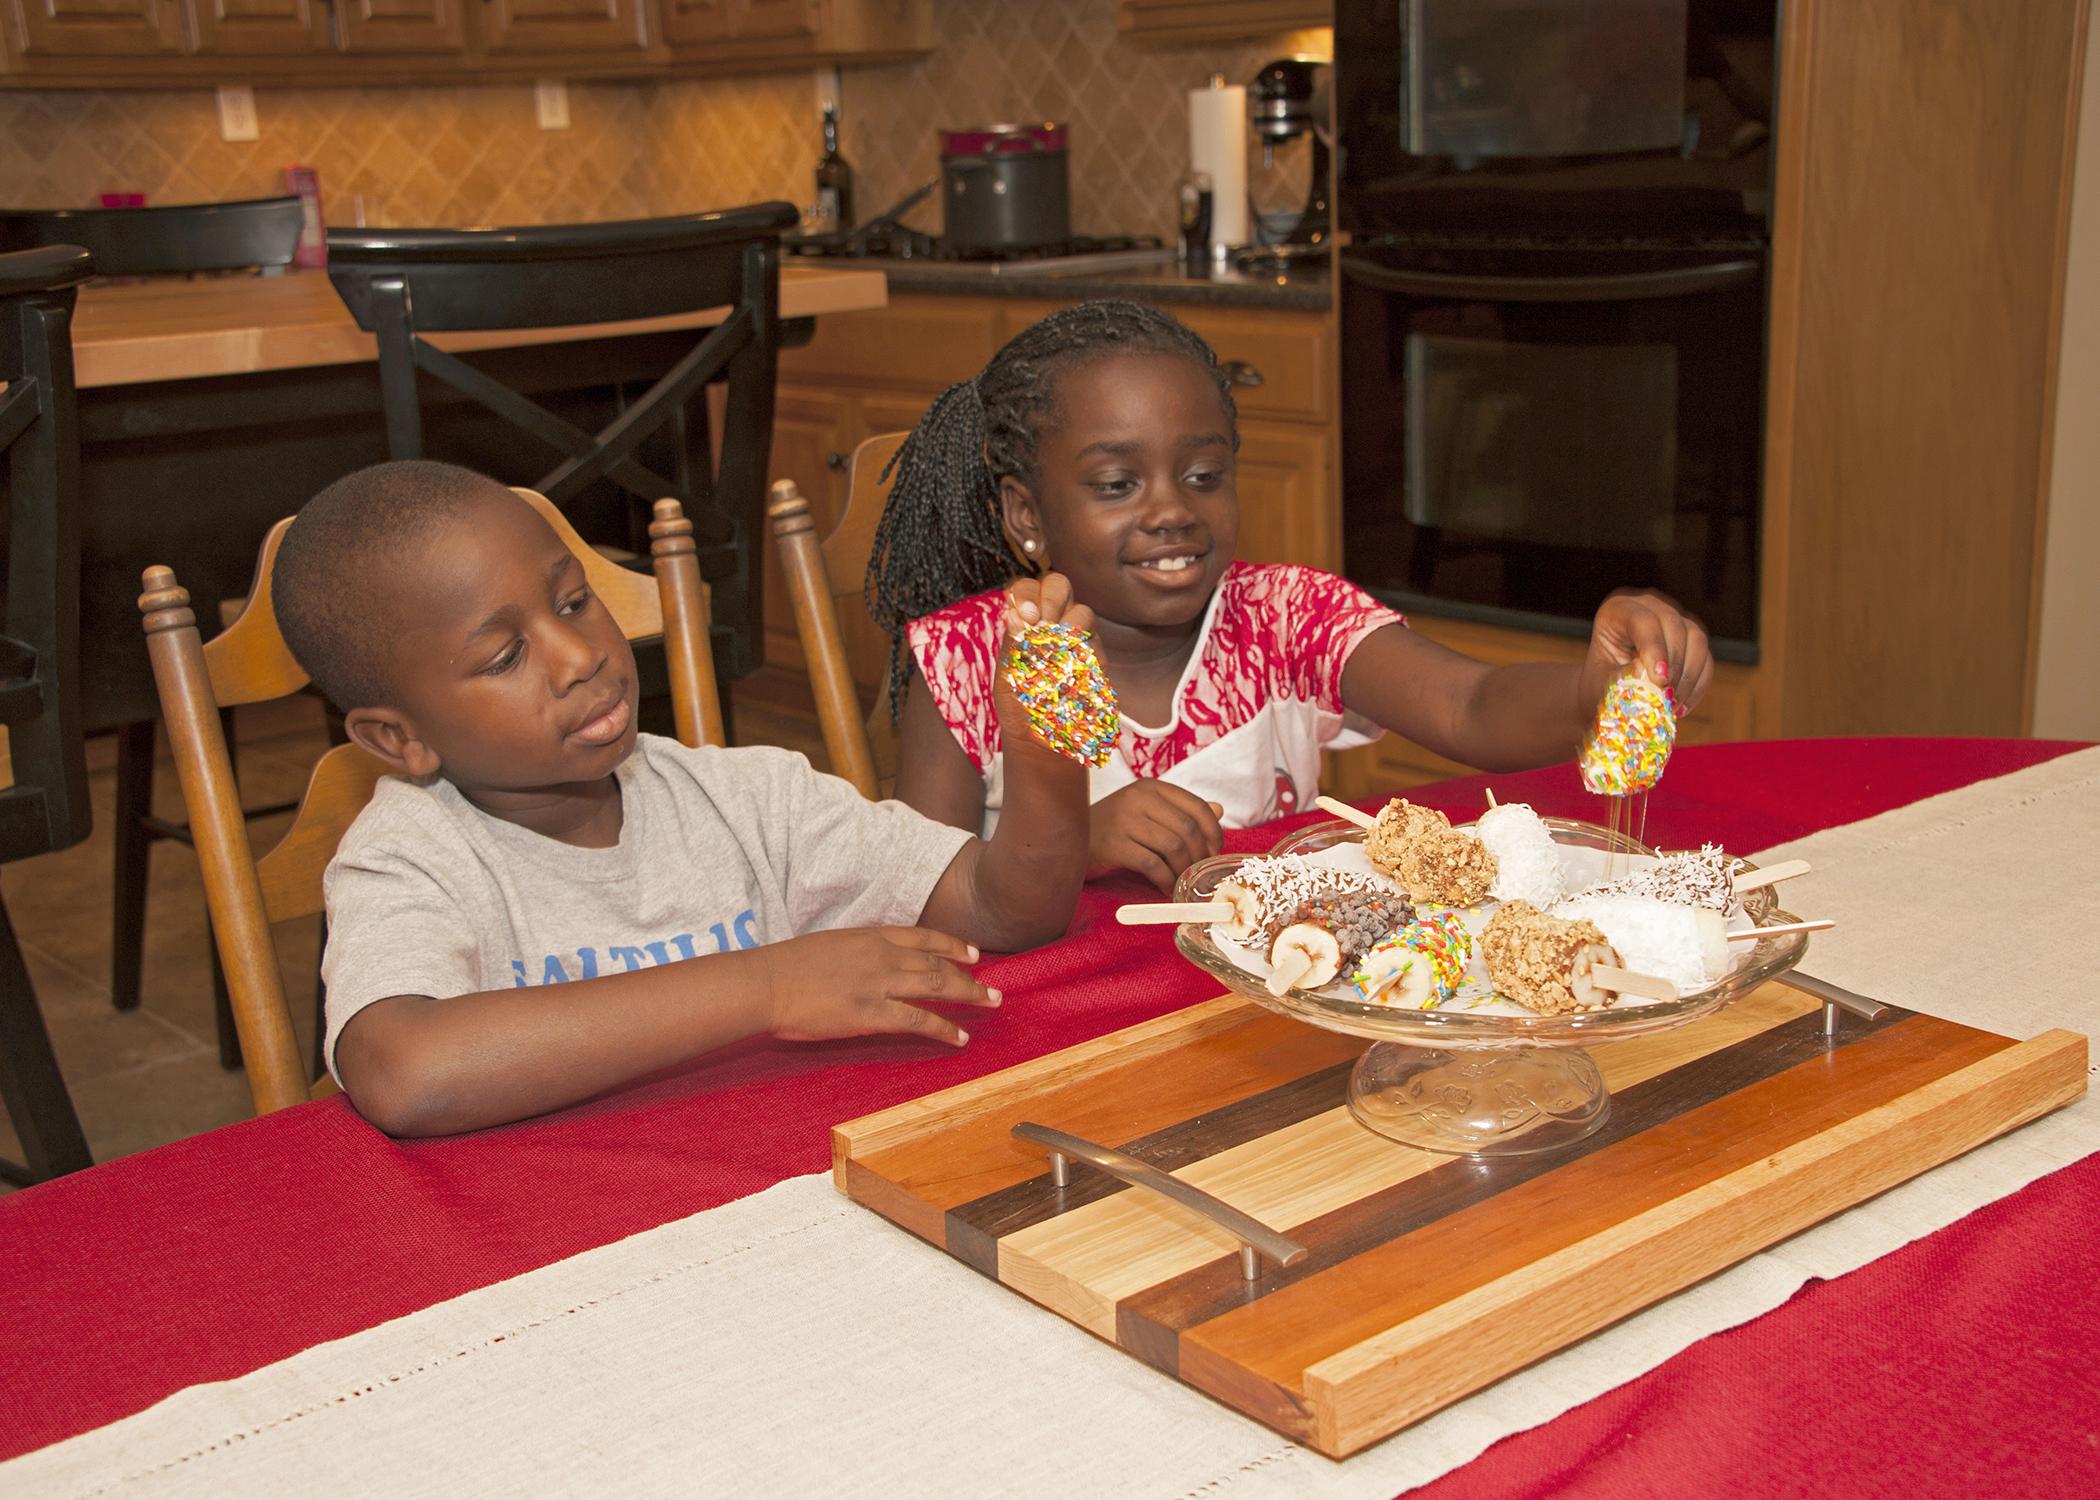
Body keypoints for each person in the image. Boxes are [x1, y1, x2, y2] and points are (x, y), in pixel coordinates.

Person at [271, 461, 1092, 1138]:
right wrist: (766, 988)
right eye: (503, 657)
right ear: (397, 739)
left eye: (572, 601)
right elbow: (408, 1071)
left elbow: (1006, 908)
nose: (579, 657)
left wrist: (1044, 754)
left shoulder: (748, 800)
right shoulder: (411, 856)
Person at [866, 300, 1714, 892]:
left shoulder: (1284, 618)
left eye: (1204, 475)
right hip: (1061, 1029)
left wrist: (1595, 689)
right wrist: (1071, 843)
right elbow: (922, 889)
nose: (1172, 510)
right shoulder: (967, 659)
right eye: (1117, 483)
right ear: (1027, 515)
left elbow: (1472, 706)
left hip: (1282, 1003)